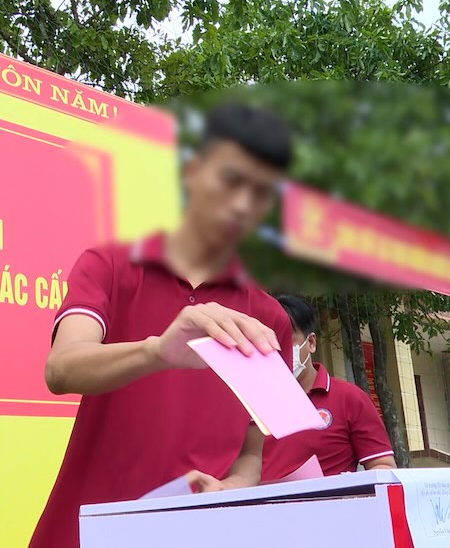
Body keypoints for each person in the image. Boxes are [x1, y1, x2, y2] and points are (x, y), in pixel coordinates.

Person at [30, 103, 296, 548]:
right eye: (231, 180)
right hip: (83, 534)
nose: (242, 204)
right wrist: (156, 351)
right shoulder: (111, 265)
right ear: (192, 173)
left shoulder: (268, 320)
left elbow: (253, 451)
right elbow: (61, 369)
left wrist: (233, 488)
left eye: (262, 193)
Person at [261, 294, 396, 482]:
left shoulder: (350, 398)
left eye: (286, 339)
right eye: (269, 340)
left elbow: (382, 466)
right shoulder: (250, 403)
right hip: (260, 509)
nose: (278, 349)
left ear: (311, 342)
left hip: (330, 509)